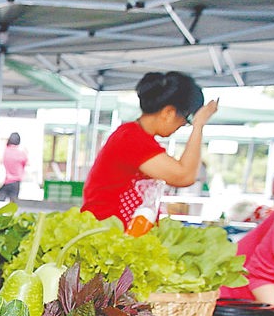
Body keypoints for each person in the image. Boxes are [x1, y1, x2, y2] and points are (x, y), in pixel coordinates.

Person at [82, 72, 219, 227]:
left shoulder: (135, 136)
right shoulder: (132, 138)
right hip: (107, 237)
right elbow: (184, 176)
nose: (182, 126)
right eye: (185, 120)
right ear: (168, 112)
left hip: (120, 236)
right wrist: (199, 125)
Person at [0, 132, 27, 202]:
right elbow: (25, 164)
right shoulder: (21, 153)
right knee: (13, 204)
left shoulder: (4, 151)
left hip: (3, 181)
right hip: (15, 182)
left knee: (0, 202)